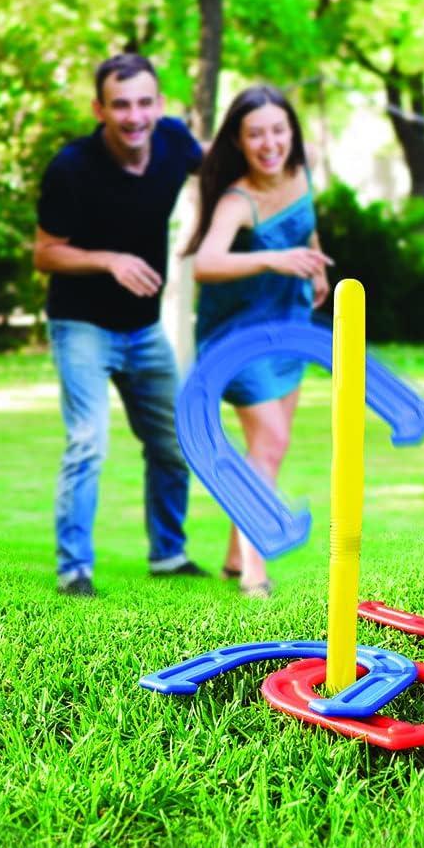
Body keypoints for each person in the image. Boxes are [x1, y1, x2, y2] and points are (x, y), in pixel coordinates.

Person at [34, 54, 208, 597]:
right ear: (100, 109)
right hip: (82, 325)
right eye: (121, 104)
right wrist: (108, 260)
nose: (134, 116)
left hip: (143, 328)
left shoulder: (176, 142)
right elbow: (45, 254)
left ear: (159, 105)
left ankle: (168, 554)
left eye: (143, 102)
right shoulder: (72, 168)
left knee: (174, 442)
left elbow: (226, 176)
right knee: (88, 442)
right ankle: (74, 570)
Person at [185, 85, 333, 600]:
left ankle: (232, 560)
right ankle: (255, 574)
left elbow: (305, 226)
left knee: (268, 449)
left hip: (287, 325)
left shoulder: (300, 173)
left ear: (291, 131)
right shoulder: (237, 199)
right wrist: (273, 259)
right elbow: (205, 264)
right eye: (255, 134)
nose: (269, 143)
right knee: (270, 443)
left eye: (277, 130)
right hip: (237, 340)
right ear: (240, 141)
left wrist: (312, 264)